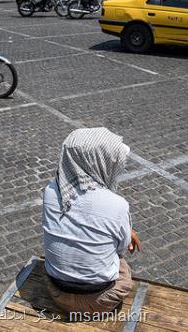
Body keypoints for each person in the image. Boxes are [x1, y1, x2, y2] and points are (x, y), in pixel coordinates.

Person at [43, 128, 140, 314]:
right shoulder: (117, 205)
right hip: (101, 300)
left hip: (55, 291)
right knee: (122, 267)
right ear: (97, 162)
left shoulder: (51, 191)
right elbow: (121, 249)